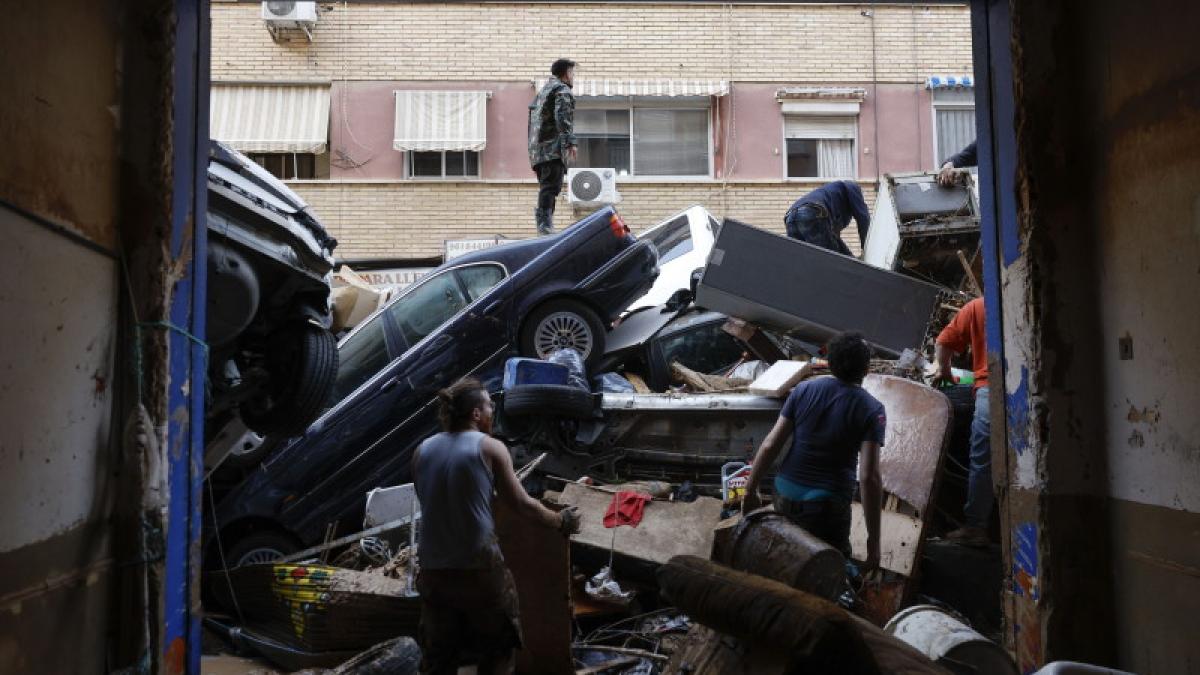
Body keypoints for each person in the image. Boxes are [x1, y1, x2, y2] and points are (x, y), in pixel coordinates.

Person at [413, 378, 581, 674]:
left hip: (432, 571)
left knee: (440, 658)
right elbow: (521, 504)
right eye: (489, 404)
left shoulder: (422, 450)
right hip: (478, 569)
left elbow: (433, 503)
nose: (493, 409)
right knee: (497, 652)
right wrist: (560, 521)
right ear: (476, 414)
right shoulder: (490, 447)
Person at [742, 332, 884, 572]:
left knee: (786, 560)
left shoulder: (803, 390)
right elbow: (869, 477)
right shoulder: (872, 409)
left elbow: (770, 445)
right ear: (867, 369)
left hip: (784, 495)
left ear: (829, 362)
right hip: (825, 507)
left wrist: (750, 490)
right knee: (827, 570)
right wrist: (874, 541)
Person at [932, 297, 991, 546]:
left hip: (990, 390)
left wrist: (944, 370)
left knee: (983, 460)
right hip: (1031, 390)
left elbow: (943, 342)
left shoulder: (977, 307)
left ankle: (976, 527)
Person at [528, 58, 578, 236]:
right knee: (550, 188)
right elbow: (562, 115)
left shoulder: (543, 91)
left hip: (538, 151)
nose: (573, 77)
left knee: (547, 188)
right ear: (566, 73)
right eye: (572, 73)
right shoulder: (562, 90)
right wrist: (570, 141)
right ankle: (545, 227)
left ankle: (546, 226)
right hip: (552, 150)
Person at [783, 180, 871, 256]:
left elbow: (833, 238)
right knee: (831, 259)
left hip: (790, 218)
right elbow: (863, 218)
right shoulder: (851, 187)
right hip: (811, 212)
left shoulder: (833, 197)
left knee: (801, 261)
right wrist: (866, 248)